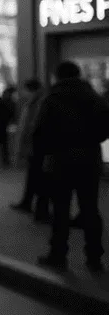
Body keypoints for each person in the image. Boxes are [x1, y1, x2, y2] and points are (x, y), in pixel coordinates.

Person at [33, 61, 106, 274]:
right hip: (89, 159)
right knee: (90, 209)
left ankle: (58, 254)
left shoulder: (53, 98)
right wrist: (91, 140)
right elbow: (104, 126)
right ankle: (94, 257)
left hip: (61, 160)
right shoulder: (93, 97)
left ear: (57, 75)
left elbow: (40, 130)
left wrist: (46, 152)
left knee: (61, 209)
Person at [11, 78, 48, 220]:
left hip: (36, 147)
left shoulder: (39, 103)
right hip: (31, 146)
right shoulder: (32, 102)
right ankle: (27, 202)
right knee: (32, 177)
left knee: (38, 177)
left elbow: (33, 127)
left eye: (25, 89)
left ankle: (39, 208)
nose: (23, 92)